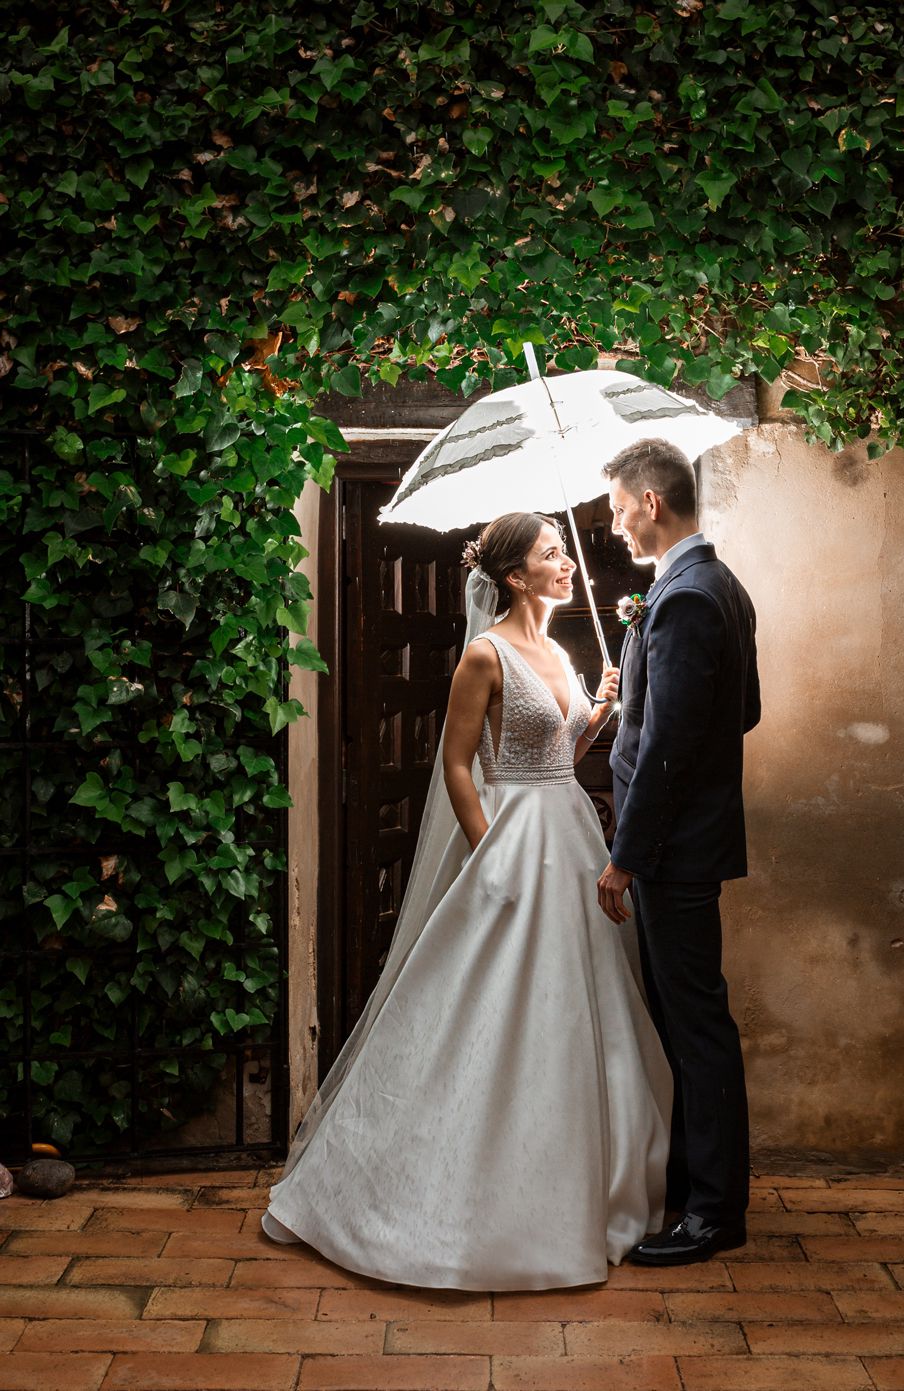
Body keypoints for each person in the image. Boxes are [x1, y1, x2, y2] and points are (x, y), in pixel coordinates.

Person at [262, 511, 672, 1290]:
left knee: (580, 1006)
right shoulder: (483, 656)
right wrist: (486, 849)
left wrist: (598, 710)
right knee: (487, 1003)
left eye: (561, 552)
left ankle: (586, 1184)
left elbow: (563, 753)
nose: (564, 564)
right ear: (513, 576)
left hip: (571, 834)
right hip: (511, 832)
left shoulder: (558, 649)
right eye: (549, 555)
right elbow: (455, 766)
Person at [596, 438, 760, 1266]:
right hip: (684, 840)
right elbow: (740, 712)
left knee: (695, 1026)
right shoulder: (715, 586)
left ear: (652, 502)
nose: (616, 523)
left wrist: (626, 853)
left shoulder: (687, 597)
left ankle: (712, 1214)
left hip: (671, 850)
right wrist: (641, 691)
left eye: (619, 507)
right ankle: (699, 1194)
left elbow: (667, 749)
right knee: (688, 1020)